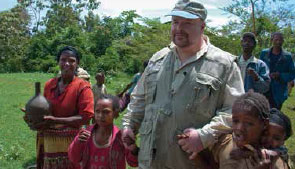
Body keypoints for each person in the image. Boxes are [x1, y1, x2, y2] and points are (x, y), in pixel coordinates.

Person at [121, 0, 244, 168]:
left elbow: (235, 111)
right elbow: (139, 99)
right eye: (175, 22)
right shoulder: (158, 59)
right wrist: (129, 126)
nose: (179, 28)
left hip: (192, 161)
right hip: (150, 160)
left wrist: (203, 136)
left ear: (202, 27)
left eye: (187, 23)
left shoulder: (224, 65)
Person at [28, 46, 94, 169]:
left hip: (72, 144)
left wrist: (56, 120)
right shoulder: (50, 84)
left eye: (72, 60)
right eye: (63, 60)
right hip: (49, 143)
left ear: (77, 63)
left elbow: (85, 117)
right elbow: (44, 111)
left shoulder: (83, 87)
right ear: (58, 62)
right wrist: (34, 119)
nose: (67, 64)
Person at [212, 92, 288, 169]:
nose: (269, 140)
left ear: (283, 141)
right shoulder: (226, 141)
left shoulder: (277, 153)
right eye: (265, 134)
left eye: (276, 138)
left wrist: (244, 154)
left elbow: (266, 154)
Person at [68, 94, 138, 169]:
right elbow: (73, 158)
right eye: (97, 111)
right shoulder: (86, 134)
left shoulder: (121, 138)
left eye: (106, 112)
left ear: (115, 114)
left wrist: (133, 149)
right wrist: (78, 142)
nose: (100, 115)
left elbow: (133, 163)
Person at [260, 32, 295, 110]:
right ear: (272, 40)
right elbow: (260, 68)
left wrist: (280, 75)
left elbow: (292, 74)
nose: (278, 42)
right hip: (264, 88)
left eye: (280, 40)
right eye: (276, 40)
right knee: (262, 112)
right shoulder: (264, 53)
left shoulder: (287, 56)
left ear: (283, 41)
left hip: (279, 91)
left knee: (275, 113)